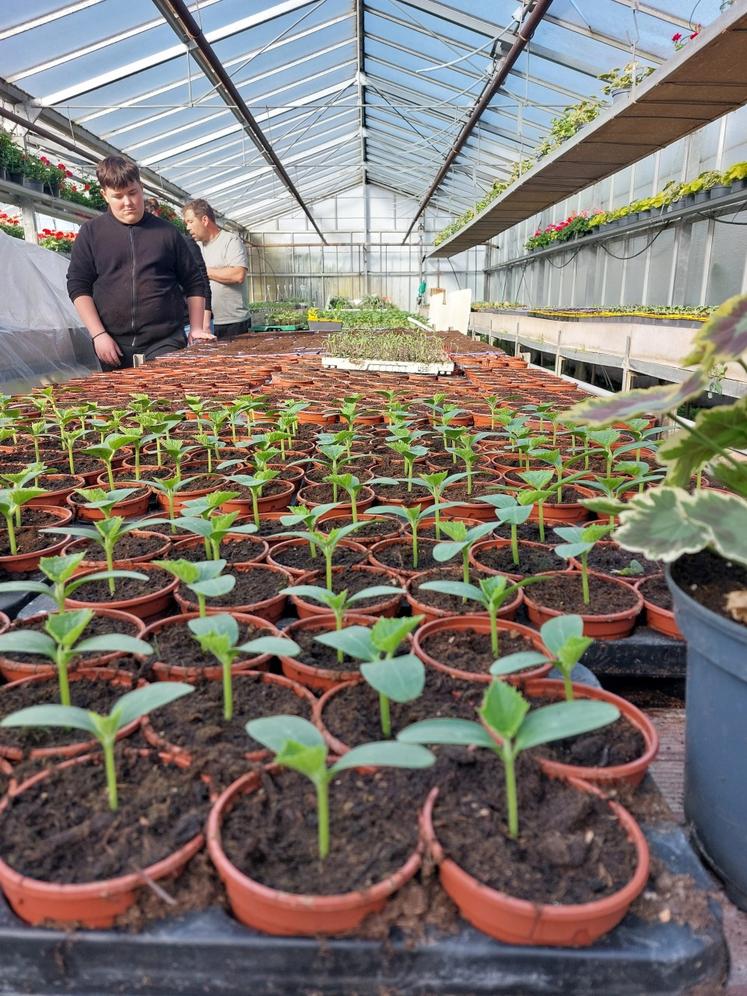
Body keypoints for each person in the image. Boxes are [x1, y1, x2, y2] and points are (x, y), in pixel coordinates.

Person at [67, 156, 209, 369]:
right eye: (118, 196)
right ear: (104, 195)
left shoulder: (167, 233)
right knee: (116, 400)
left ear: (141, 188)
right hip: (112, 342)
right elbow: (78, 285)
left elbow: (194, 282)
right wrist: (98, 334)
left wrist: (197, 328)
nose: (128, 202)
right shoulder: (91, 233)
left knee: (167, 396)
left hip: (165, 340)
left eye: (133, 193)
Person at [143, 197, 214, 338]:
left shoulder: (183, 242)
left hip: (189, 323)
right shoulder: (146, 247)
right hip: (169, 326)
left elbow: (202, 283)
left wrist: (203, 324)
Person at [182, 199, 251, 339]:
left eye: (190, 222)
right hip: (205, 323)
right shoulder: (196, 247)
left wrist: (202, 272)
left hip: (233, 323)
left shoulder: (230, 241)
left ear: (205, 220)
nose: (187, 228)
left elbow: (238, 274)